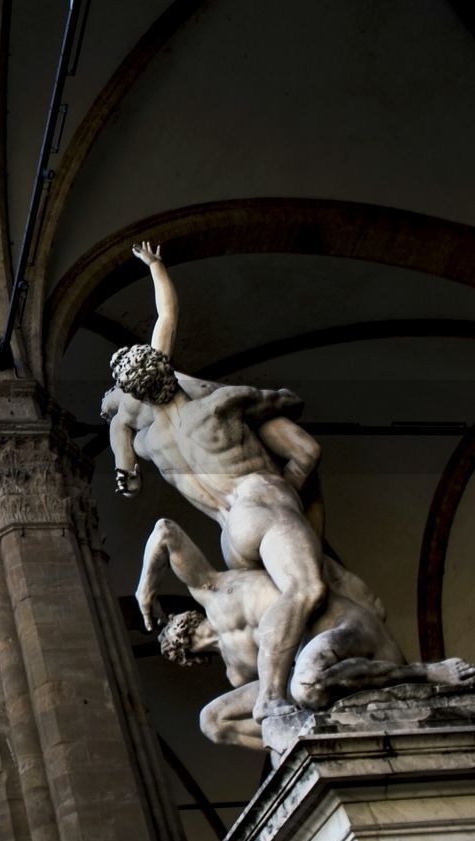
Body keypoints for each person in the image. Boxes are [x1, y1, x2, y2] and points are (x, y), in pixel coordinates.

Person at [102, 241, 333, 720]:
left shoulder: (146, 442)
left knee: (303, 596)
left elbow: (122, 440)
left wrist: (124, 467)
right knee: (308, 591)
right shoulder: (218, 405)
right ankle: (273, 694)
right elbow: (168, 316)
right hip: (262, 502)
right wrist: (155, 265)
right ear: (165, 368)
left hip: (231, 536)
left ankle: (303, 688)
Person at [138, 518, 474, 750]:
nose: (185, 636)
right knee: (212, 720)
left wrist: (146, 587)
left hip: (342, 625)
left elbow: (165, 531)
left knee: (307, 684)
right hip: (315, 662)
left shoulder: (211, 588)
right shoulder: (237, 669)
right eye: (183, 641)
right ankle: (297, 748)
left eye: (183, 633)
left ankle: (424, 672)